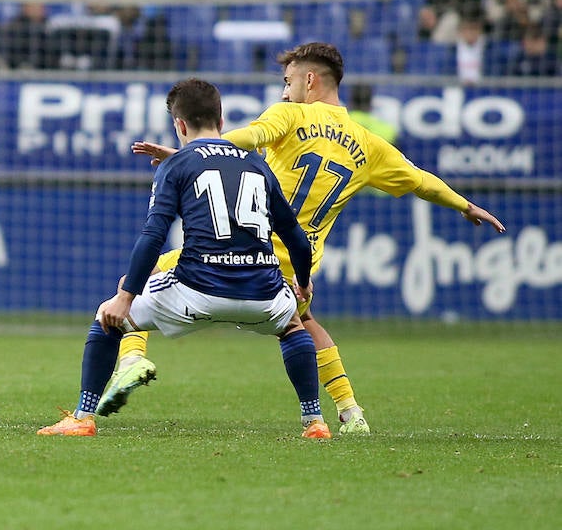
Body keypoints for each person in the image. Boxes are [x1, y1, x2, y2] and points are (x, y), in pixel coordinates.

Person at [120, 43, 506, 433]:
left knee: (139, 279)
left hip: (243, 248)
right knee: (304, 325)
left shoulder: (290, 115)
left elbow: (249, 139)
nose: (285, 92)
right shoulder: (368, 143)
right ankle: (351, 411)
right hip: (298, 266)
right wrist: (464, 205)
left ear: (309, 79)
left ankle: (131, 361)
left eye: (288, 82)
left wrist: (188, 154)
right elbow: (421, 181)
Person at [39, 78, 326, 438]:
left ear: (179, 125)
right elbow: (296, 238)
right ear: (221, 122)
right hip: (262, 291)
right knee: (292, 327)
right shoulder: (257, 164)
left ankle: (82, 417)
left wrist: (125, 298)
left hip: (196, 289)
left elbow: (154, 235)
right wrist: (301, 281)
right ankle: (315, 421)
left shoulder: (176, 165)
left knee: (106, 317)